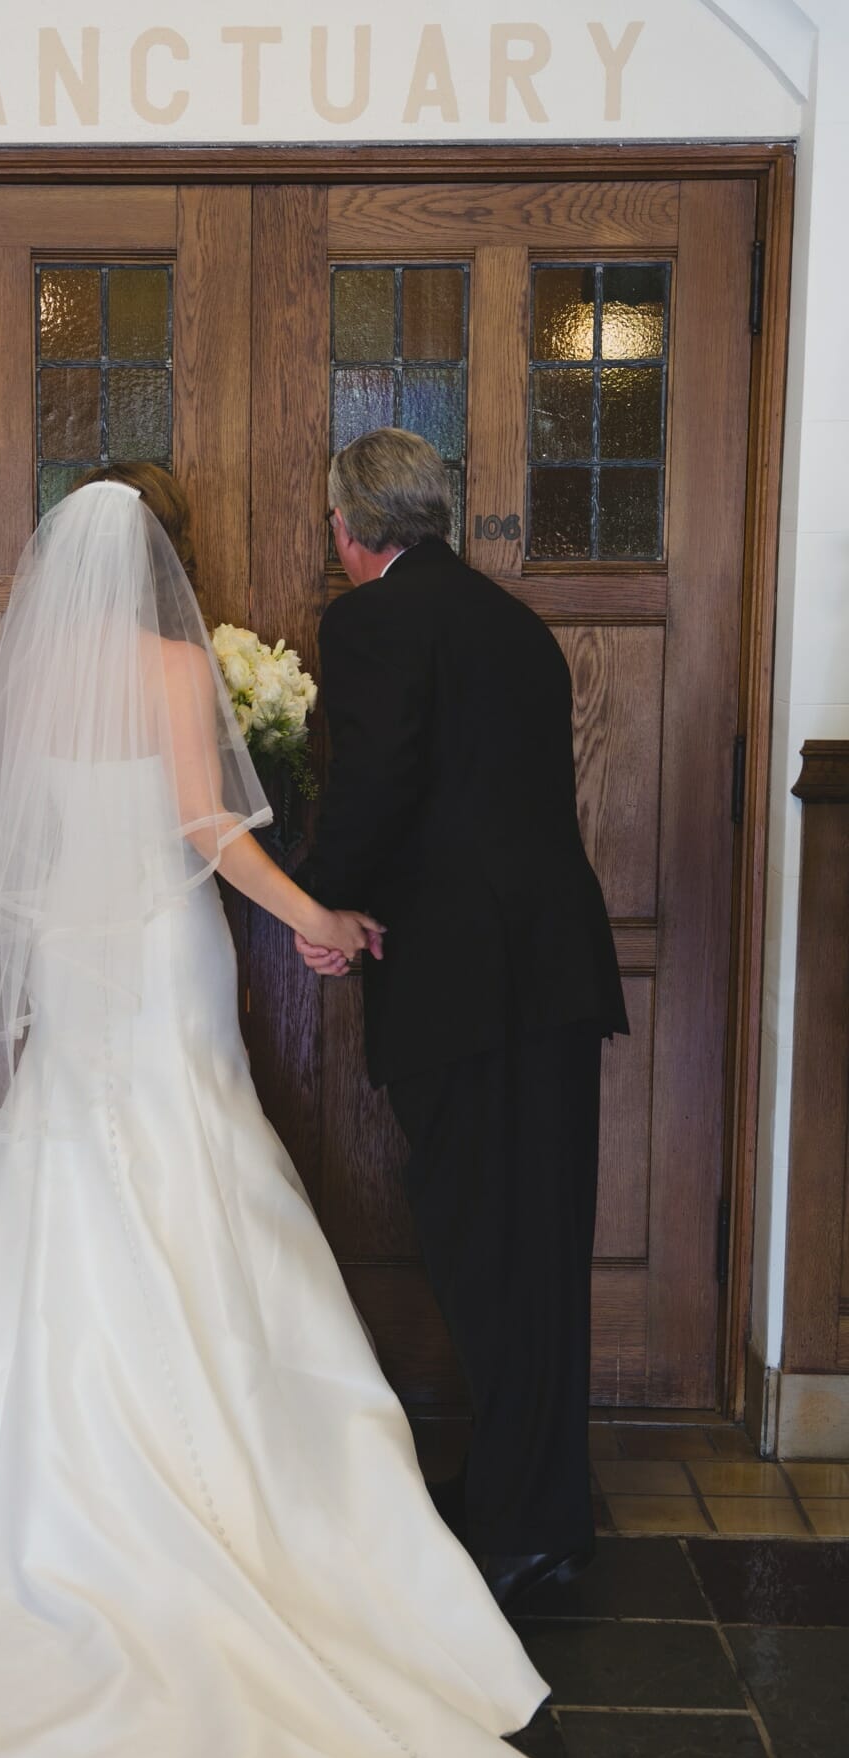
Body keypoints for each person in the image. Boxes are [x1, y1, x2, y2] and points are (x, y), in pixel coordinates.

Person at [0, 476, 549, 1758]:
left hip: (78, 963)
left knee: (69, 1168)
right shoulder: (181, 666)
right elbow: (203, 828)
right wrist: (316, 909)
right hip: (164, 957)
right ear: (166, 569)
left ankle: (33, 1486)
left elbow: (23, 843)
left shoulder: (46, 671)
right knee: (202, 1160)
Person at [296, 428, 629, 1612]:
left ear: (350, 529)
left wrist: (321, 898)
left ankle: (521, 1524)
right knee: (537, 1248)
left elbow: (376, 782)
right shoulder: (515, 624)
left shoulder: (370, 621)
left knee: (483, 1247)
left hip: (462, 984)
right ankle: (534, 1505)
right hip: (552, 973)